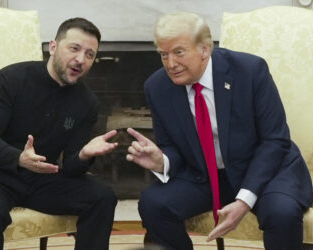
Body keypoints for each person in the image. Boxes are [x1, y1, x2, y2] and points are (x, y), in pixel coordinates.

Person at [126, 11, 313, 250]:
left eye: (179, 52)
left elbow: (275, 141)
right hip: (206, 173)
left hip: (265, 169)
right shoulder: (157, 87)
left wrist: (244, 200)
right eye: (164, 54)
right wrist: (161, 161)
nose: (170, 64)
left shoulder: (250, 70)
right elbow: (171, 147)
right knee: (154, 204)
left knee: (281, 212)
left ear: (204, 49)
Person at [0, 17, 119, 250]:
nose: (80, 59)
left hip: (41, 178)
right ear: (53, 47)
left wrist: (84, 155)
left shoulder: (87, 103)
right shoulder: (10, 79)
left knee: (102, 198)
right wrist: (18, 158)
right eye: (74, 48)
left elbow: (71, 168)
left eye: (89, 54)